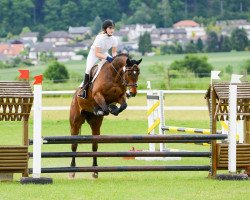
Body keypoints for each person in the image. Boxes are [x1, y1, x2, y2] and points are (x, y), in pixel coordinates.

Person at [78, 19, 118, 99]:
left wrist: (114, 58)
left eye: (113, 28)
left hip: (104, 53)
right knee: (89, 69)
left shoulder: (114, 39)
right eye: (110, 28)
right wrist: (107, 58)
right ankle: (84, 90)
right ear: (105, 29)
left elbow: (114, 52)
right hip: (94, 54)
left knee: (113, 67)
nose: (112, 30)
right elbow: (97, 53)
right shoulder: (99, 38)